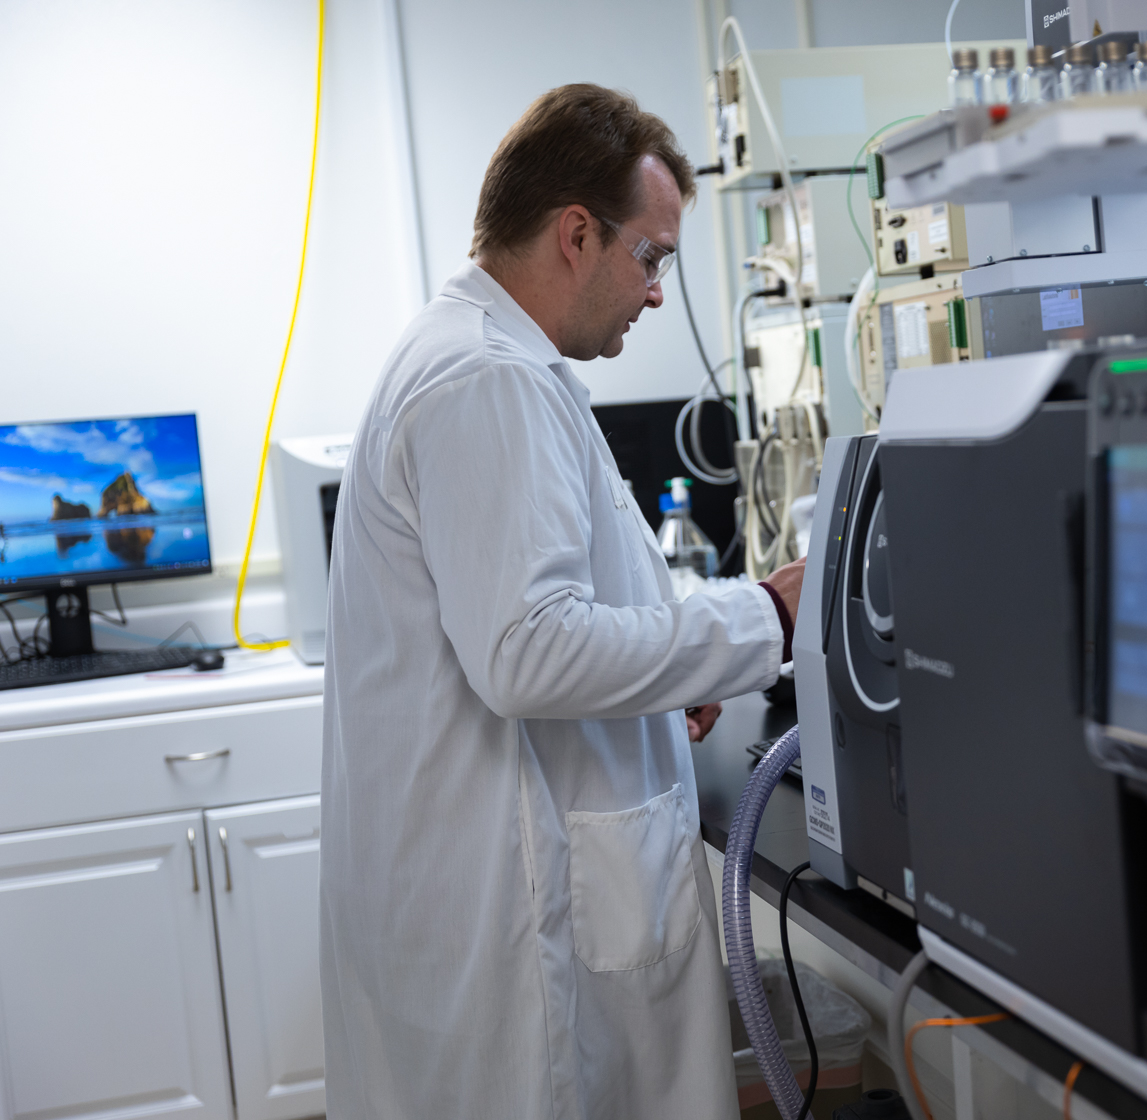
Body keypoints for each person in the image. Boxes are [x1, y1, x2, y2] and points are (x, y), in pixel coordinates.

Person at [320, 84, 807, 1119]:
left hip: (490, 888)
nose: (657, 292)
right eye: (652, 256)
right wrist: (766, 615)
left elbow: (553, 599)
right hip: (511, 920)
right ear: (576, 234)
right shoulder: (487, 380)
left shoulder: (478, 356)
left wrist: (669, 672)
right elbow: (528, 650)